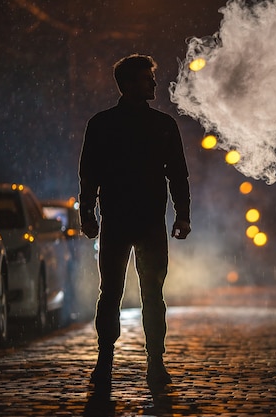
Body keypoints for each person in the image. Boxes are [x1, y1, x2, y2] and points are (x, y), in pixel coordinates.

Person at [78, 54, 191, 392]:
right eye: (146, 79)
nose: (153, 84)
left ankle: (134, 362)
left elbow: (90, 174)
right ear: (128, 84)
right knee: (131, 294)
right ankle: (129, 362)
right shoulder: (157, 125)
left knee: (126, 294)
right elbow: (90, 173)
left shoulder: (107, 123)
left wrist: (183, 213)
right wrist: (87, 212)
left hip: (130, 221)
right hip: (136, 222)